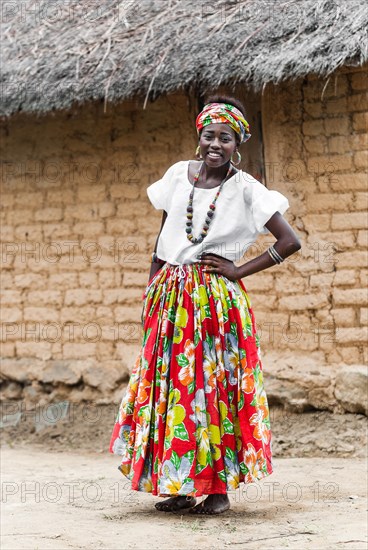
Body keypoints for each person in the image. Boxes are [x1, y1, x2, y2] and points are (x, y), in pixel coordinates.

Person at [109, 96, 301, 515]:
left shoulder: (248, 189)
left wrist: (238, 270)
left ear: (238, 143)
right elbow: (164, 236)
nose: (216, 144)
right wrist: (151, 286)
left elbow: (290, 242)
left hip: (214, 301)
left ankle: (217, 491)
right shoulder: (179, 175)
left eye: (226, 138)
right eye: (209, 135)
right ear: (199, 137)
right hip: (170, 294)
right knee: (170, 389)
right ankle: (178, 482)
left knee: (211, 389)